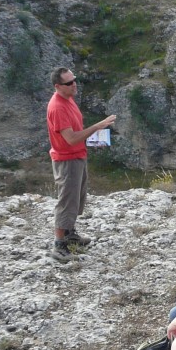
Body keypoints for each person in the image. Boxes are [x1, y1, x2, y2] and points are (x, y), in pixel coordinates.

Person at [46, 67, 115, 263]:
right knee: (67, 199)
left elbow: (75, 132)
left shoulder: (68, 98)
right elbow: (71, 139)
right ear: (58, 86)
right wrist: (98, 126)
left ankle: (70, 233)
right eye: (68, 83)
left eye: (74, 80)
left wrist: (94, 139)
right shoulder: (58, 107)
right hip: (67, 159)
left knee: (76, 197)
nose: (74, 84)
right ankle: (59, 244)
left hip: (77, 156)